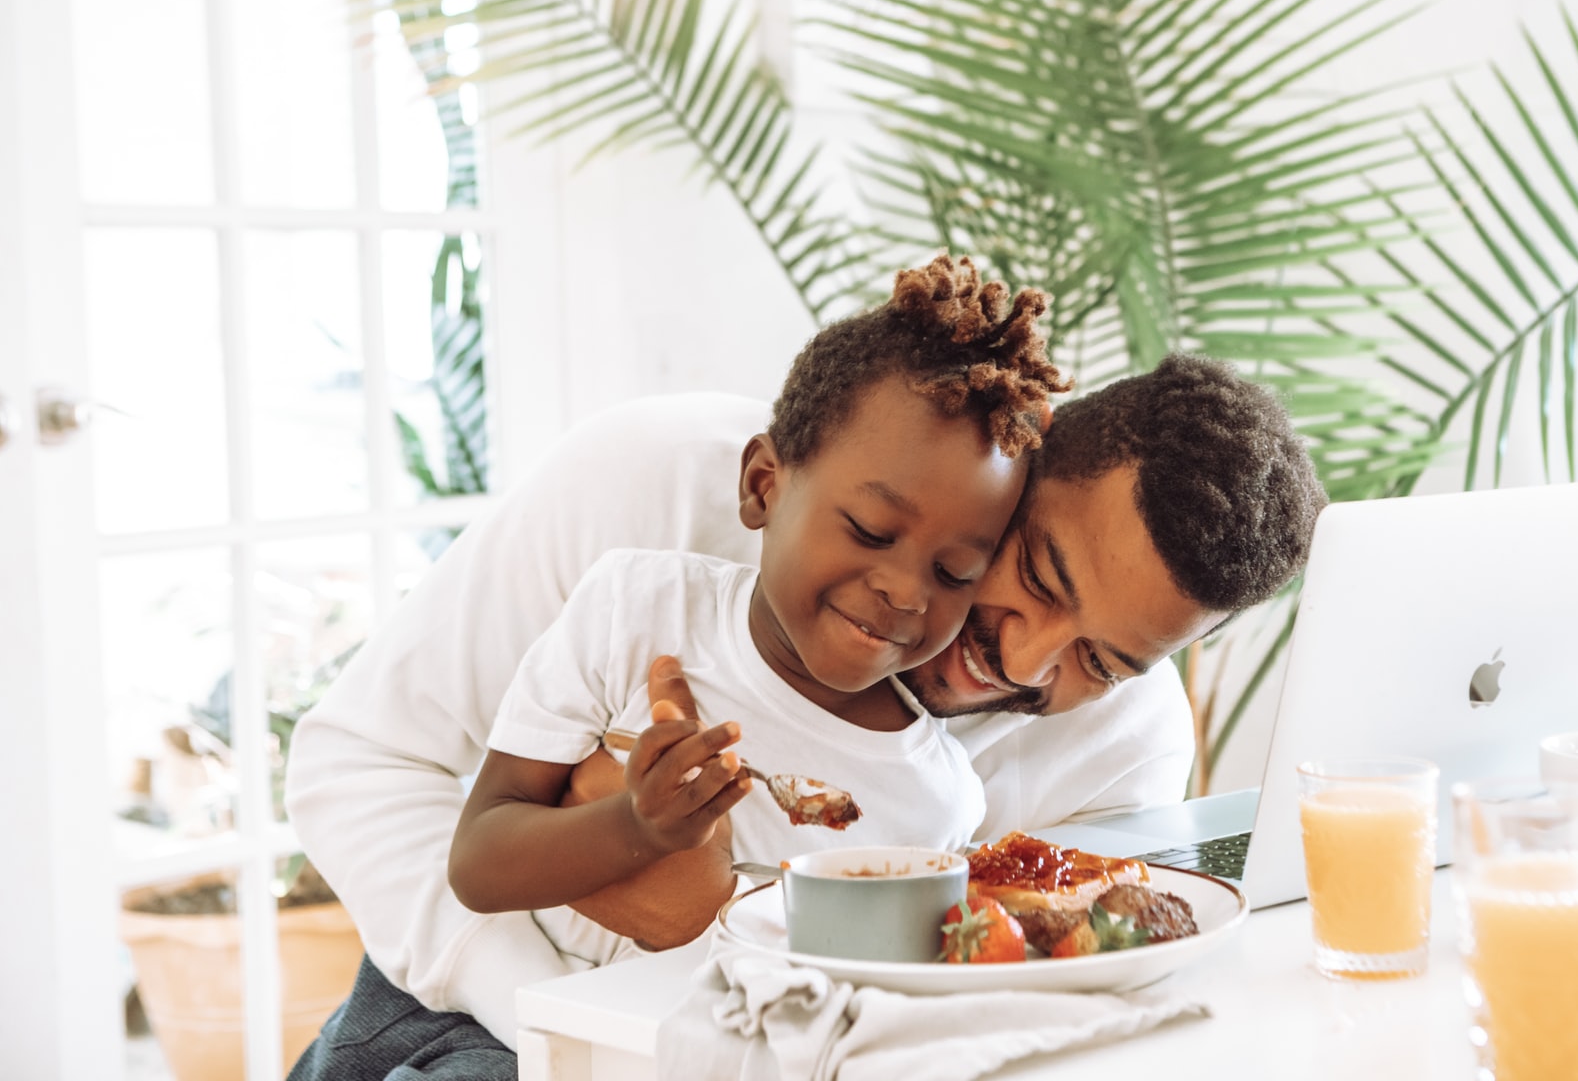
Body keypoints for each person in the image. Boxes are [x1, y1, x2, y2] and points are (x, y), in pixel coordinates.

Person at [286, 349, 1324, 1080]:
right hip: (465, 1010)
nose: (1026, 655)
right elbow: (358, 761)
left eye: (1101, 657)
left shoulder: (1127, 746)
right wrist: (571, 1032)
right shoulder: (658, 495)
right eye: (1041, 572)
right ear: (1025, 454)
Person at [444, 255, 1064, 968]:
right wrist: (638, 824)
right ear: (763, 485)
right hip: (501, 1028)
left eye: (955, 571)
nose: (905, 591)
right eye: (869, 530)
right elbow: (477, 862)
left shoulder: (934, 801)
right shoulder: (639, 610)